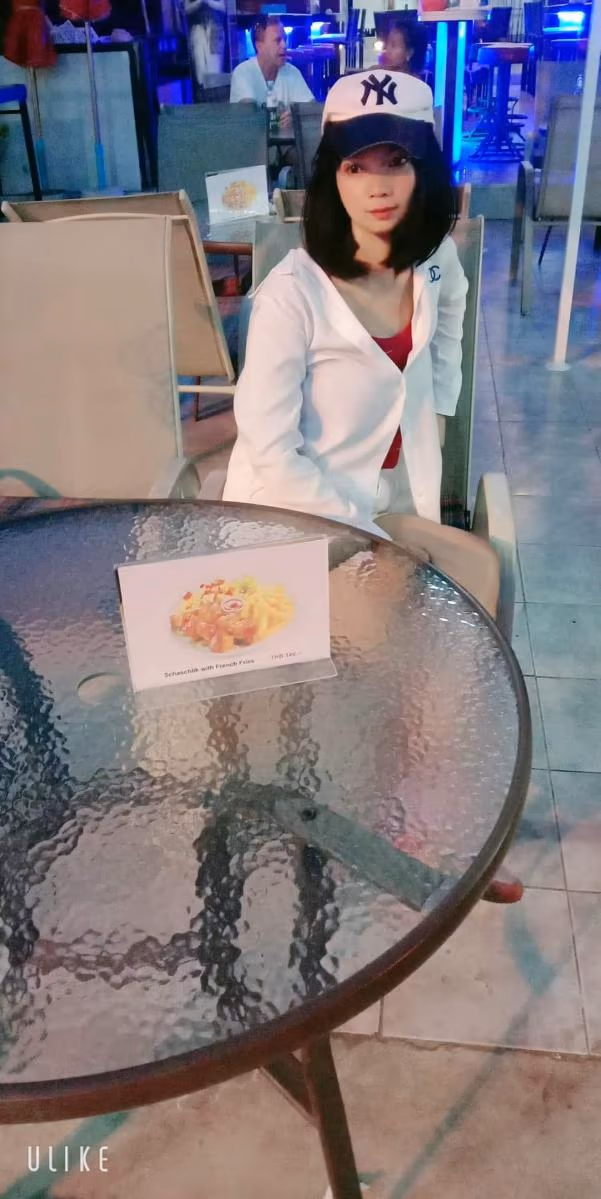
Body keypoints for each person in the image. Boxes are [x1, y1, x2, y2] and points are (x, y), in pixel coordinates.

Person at [223, 70, 499, 618]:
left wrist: (437, 419)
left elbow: (450, 324)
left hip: (397, 499)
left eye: (397, 162)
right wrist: (371, 541)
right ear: (333, 177)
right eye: (356, 167)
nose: (378, 187)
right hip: (296, 518)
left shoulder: (436, 259)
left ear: (424, 170)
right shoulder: (291, 295)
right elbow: (271, 451)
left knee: (438, 619)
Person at [230, 15, 314, 132]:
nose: (284, 45)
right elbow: (248, 116)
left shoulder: (292, 72)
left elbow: (312, 109)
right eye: (277, 40)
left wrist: (295, 117)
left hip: (286, 143)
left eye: (284, 39)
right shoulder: (243, 73)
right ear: (259, 46)